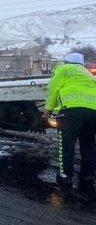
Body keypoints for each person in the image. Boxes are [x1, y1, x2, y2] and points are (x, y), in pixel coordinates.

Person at [44, 52, 96, 192]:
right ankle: (89, 176)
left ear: (66, 61)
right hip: (93, 111)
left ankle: (65, 176)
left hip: (71, 111)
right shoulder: (88, 74)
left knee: (66, 144)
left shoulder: (62, 69)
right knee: (89, 144)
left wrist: (48, 109)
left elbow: (53, 88)